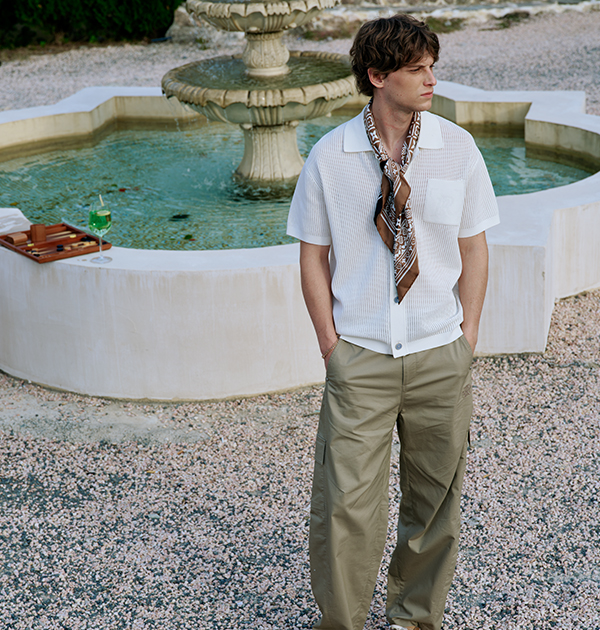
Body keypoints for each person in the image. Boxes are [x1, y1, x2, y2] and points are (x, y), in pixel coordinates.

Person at [286, 13, 500, 630]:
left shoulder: (457, 148)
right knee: (345, 508)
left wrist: (468, 335)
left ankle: (413, 619)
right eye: (416, 69)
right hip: (361, 357)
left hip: (440, 352)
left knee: (435, 504)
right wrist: (330, 344)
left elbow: (475, 245)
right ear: (378, 76)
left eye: (433, 67)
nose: (431, 79)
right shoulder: (330, 157)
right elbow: (312, 255)